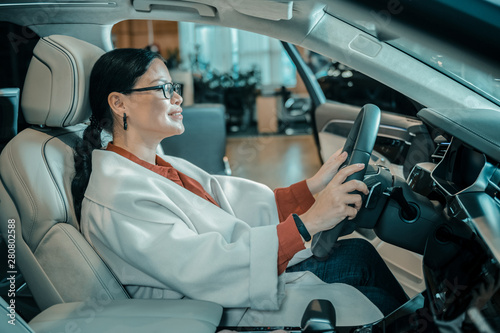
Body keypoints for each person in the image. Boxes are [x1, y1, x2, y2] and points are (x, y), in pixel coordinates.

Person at [72, 48, 407, 327]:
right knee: (376, 303)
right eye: (163, 89)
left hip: (242, 277)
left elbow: (230, 201)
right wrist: (310, 222)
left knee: (360, 254)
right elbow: (202, 268)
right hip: (218, 308)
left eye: (174, 87)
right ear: (119, 103)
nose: (177, 98)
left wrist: (313, 185)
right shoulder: (117, 195)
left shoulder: (157, 164)